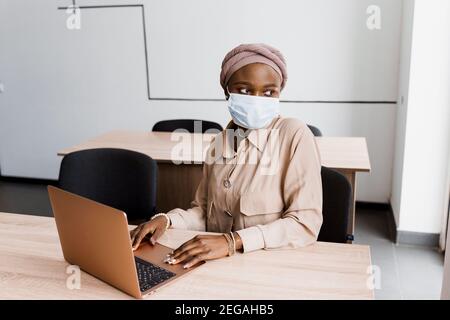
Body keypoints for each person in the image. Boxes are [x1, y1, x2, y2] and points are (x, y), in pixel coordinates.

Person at [130, 43, 323, 269]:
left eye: (269, 92)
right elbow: (202, 213)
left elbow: (305, 224)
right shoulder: (218, 143)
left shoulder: (294, 135)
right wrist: (167, 219)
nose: (257, 99)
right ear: (227, 92)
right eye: (244, 90)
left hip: (270, 267)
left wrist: (233, 241)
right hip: (218, 266)